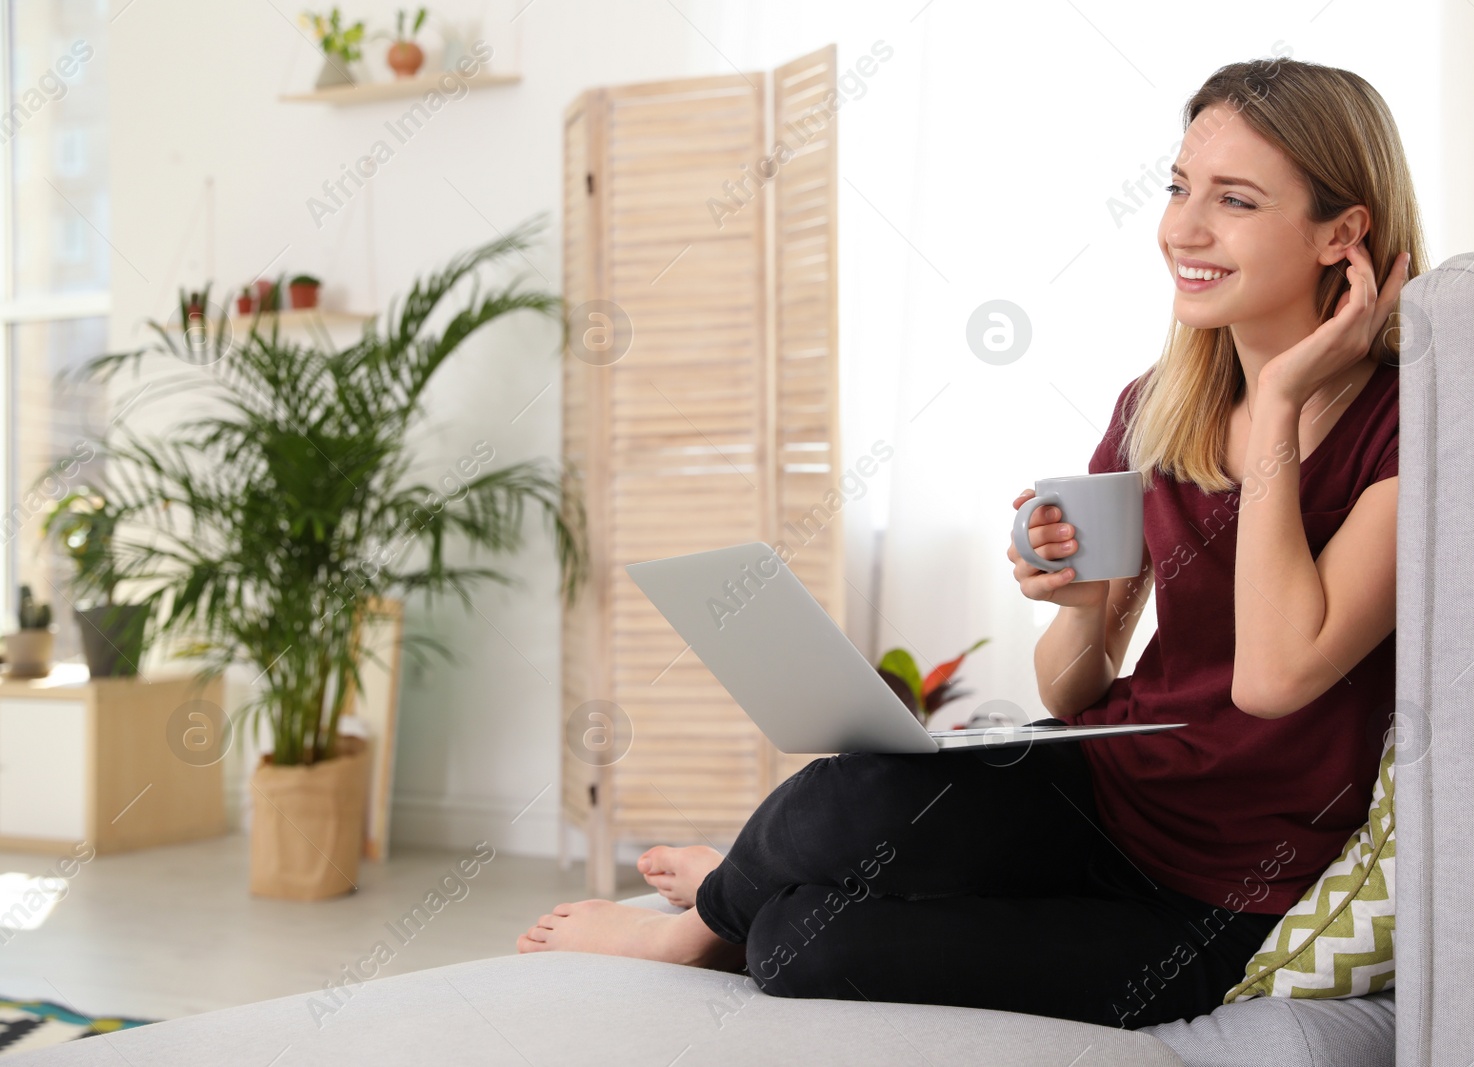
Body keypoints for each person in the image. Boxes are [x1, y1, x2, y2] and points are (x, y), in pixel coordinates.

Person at [516, 55, 1422, 1030]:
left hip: (1218, 895)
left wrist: (1282, 397)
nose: (1182, 229)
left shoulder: (1405, 423)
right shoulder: (1157, 407)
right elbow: (1074, 690)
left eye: (1234, 200)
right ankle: (708, 908)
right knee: (847, 793)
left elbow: (1274, 679)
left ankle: (727, 899)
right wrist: (1078, 611)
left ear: (1343, 233)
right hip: (1100, 792)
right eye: (1177, 188)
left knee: (801, 946)